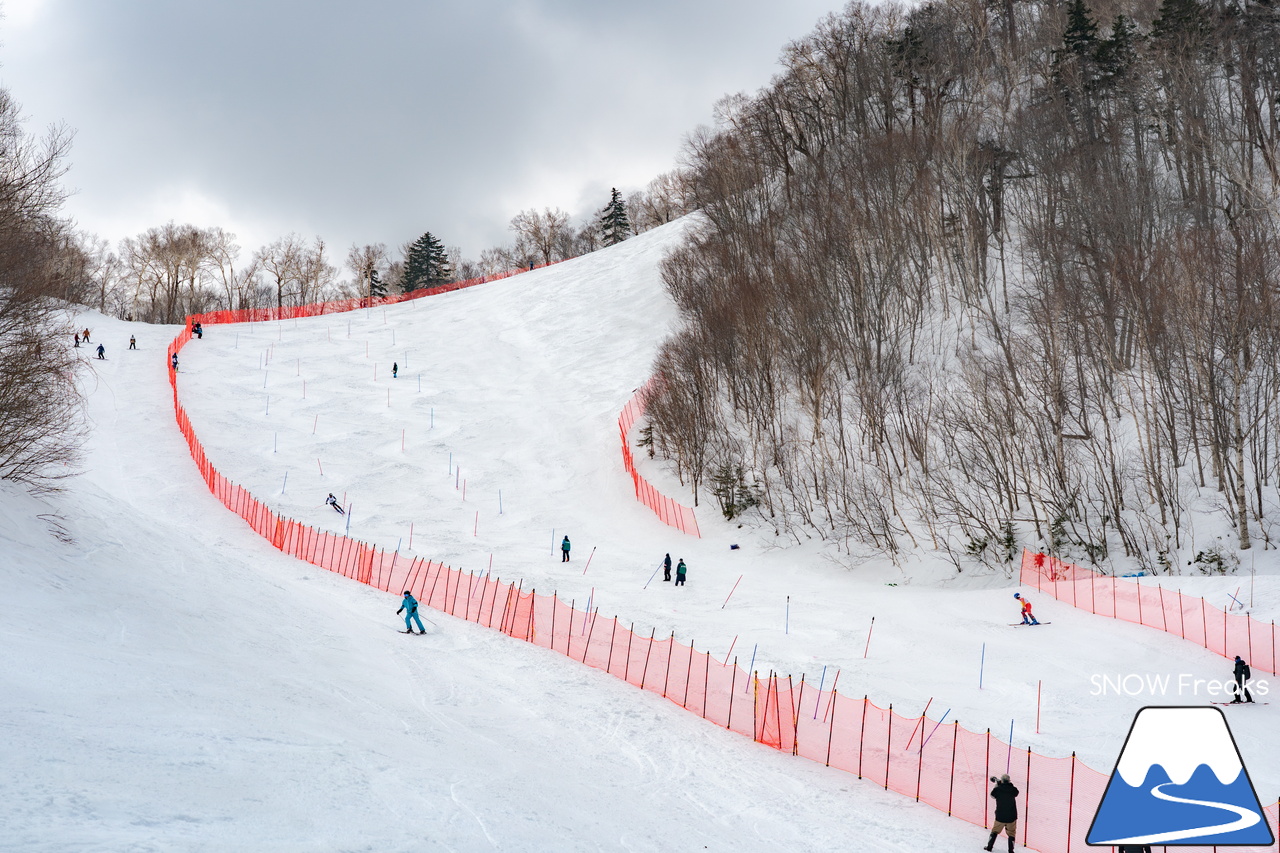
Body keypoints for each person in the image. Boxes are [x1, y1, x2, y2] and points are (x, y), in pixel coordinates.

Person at [984, 774, 1020, 852]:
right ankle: (1011, 851)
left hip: (1000, 816)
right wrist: (1009, 785)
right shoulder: (1012, 789)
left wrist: (997, 785)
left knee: (995, 831)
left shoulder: (998, 789)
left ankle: (989, 847)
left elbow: (992, 795)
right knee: (1011, 833)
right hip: (1011, 816)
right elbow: (1016, 792)